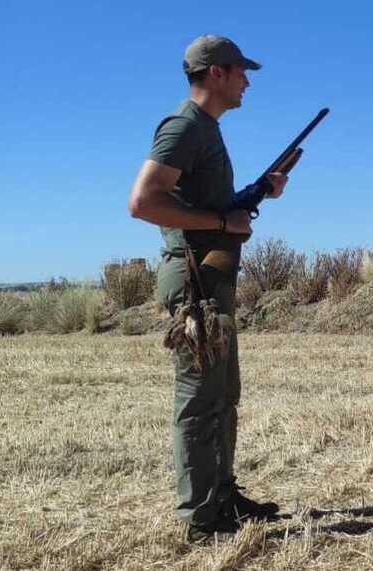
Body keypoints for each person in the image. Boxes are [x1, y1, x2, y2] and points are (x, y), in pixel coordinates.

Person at [127, 34, 287, 543]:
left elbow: (205, 210)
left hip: (211, 277)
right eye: (242, 70)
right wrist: (225, 217)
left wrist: (256, 195)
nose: (247, 80)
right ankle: (199, 519)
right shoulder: (185, 126)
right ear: (216, 73)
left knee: (223, 395)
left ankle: (222, 497)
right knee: (198, 399)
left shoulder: (208, 130)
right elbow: (143, 202)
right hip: (194, 281)